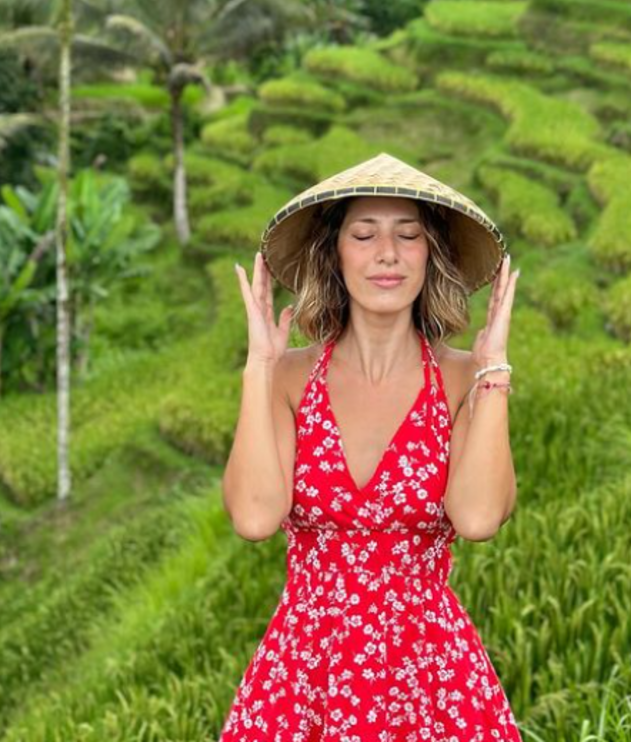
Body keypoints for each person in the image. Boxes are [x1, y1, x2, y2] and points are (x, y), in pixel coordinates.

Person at [219, 153, 522, 741]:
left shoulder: (463, 381)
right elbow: (255, 516)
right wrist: (259, 366)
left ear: (429, 253)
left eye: (408, 235)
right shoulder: (287, 378)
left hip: (431, 675)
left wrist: (493, 371)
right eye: (365, 234)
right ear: (335, 252)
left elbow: (480, 516)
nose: (388, 253)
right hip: (305, 672)